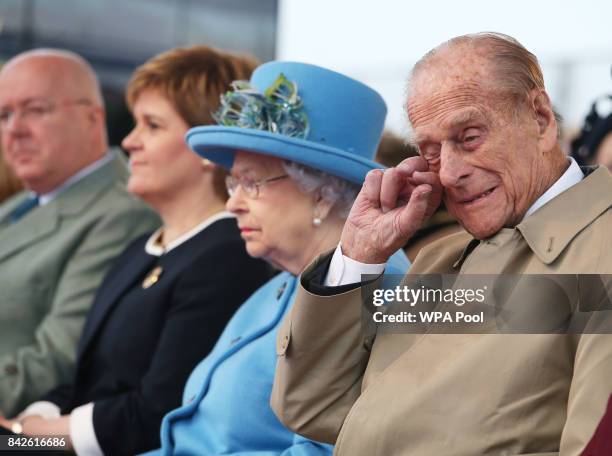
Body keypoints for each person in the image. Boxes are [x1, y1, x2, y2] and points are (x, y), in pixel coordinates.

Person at [271, 33, 612, 455]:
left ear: (540, 119)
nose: (448, 173)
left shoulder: (603, 251)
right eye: (429, 152)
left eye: (469, 137)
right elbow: (316, 409)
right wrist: (359, 253)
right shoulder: (439, 256)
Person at [0, 46, 272, 455]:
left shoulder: (228, 256)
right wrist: (25, 428)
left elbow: (157, 412)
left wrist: (29, 439)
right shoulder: (141, 250)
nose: (129, 141)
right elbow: (81, 376)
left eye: (152, 125)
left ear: (208, 145)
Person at [144, 61, 409, 455]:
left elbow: (325, 450)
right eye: (232, 183)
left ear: (321, 191)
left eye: (251, 183)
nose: (232, 203)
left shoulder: (390, 291)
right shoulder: (276, 288)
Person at [0, 49, 160, 417]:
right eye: (5, 114)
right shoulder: (20, 204)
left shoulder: (123, 212)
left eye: (35, 110)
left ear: (93, 117)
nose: (14, 130)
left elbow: (58, 359)